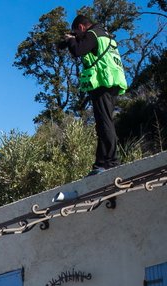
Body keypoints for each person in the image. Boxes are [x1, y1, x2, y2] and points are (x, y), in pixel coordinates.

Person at [63, 14, 128, 175]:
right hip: (112, 82)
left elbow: (78, 50)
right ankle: (101, 162)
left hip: (102, 83)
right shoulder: (105, 35)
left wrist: (71, 40)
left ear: (81, 27)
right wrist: (67, 41)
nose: (77, 36)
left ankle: (111, 162)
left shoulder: (93, 34)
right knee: (103, 122)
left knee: (105, 123)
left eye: (76, 33)